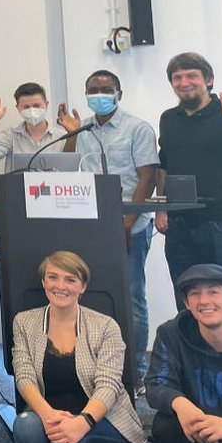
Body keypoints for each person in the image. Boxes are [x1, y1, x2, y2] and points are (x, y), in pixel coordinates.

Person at [57, 69, 158, 382]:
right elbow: (64, 168)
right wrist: (72, 133)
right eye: (92, 90)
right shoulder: (83, 129)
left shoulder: (137, 128)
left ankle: (137, 372)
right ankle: (101, 368)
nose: (98, 95)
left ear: (118, 94)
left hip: (131, 227)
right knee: (95, 298)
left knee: (132, 298)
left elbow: (147, 177)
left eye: (105, 89)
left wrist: (126, 224)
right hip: (90, 227)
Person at [12, 251, 146, 443]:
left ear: (83, 286)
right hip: (52, 418)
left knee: (67, 440)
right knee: (26, 427)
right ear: (43, 281)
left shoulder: (105, 326)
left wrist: (81, 423)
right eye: (53, 277)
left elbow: (109, 385)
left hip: (106, 425)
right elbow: (23, 375)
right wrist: (47, 414)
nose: (60, 285)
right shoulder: (24, 322)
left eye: (70, 279)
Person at [155, 52, 222, 297]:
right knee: (187, 296)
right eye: (177, 77)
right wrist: (160, 208)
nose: (184, 82)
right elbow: (164, 165)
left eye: (191, 75)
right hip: (181, 224)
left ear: (209, 80)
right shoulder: (168, 119)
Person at [146, 263, 222, 443]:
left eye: (213, 292)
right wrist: (181, 404)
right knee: (165, 425)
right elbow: (155, 384)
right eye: (195, 294)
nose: (204, 301)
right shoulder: (171, 333)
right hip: (200, 438)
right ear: (187, 303)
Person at [0, 82, 66, 172]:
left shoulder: (61, 137)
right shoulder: (10, 135)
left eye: (37, 106)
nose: (32, 110)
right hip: (17, 185)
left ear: (46, 104)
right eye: (26, 107)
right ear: (18, 108)